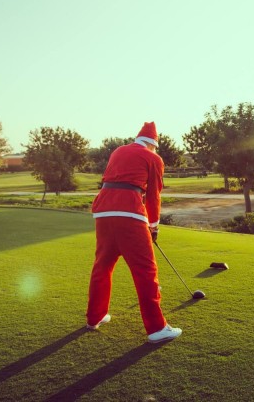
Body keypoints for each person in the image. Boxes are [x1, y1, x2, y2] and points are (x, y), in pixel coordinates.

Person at [86, 121, 182, 343]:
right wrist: (154, 226)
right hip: (130, 214)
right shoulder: (154, 158)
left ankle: (94, 317)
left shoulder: (118, 150)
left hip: (102, 212)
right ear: (153, 144)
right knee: (146, 271)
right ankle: (157, 328)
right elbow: (153, 195)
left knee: (103, 265)